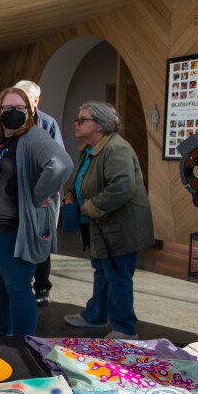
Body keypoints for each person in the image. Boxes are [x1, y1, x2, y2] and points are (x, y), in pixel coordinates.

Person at [0, 87, 72, 337]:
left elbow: (62, 164)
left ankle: (23, 345)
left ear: (29, 112)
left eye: (19, 108)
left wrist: (40, 194)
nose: (13, 113)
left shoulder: (33, 138)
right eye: (7, 108)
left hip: (13, 231)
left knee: (18, 288)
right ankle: (4, 337)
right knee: (0, 287)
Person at [63, 101, 153, 340]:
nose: (77, 123)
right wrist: (72, 193)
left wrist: (93, 205)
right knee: (102, 272)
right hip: (100, 227)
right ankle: (96, 315)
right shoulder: (89, 148)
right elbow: (82, 178)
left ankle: (125, 327)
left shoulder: (117, 149)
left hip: (120, 227)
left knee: (117, 275)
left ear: (100, 126)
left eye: (82, 120)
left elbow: (122, 187)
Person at [13, 80, 64, 307]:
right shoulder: (10, 122)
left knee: (41, 241)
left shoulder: (48, 124)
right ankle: (19, 285)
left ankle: (42, 287)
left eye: (24, 98)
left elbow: (59, 162)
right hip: (17, 193)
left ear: (36, 100)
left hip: (43, 195)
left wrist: (44, 193)